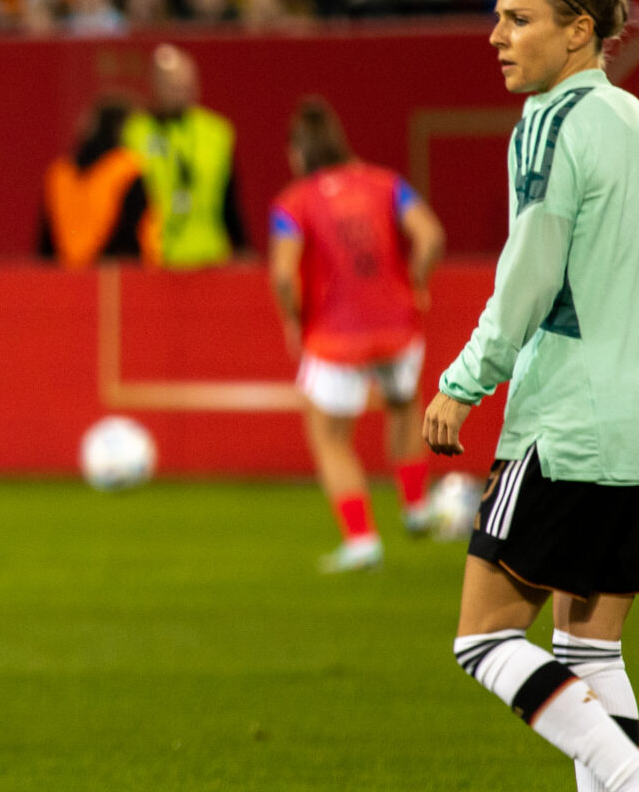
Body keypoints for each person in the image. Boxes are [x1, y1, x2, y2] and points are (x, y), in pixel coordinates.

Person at [424, 0, 639, 792]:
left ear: (577, 29)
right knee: (590, 650)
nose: (496, 38)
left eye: (517, 20)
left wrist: (465, 379)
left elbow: (529, 273)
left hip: (568, 429)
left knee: (483, 640)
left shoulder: (550, 123)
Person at [269, 99, 447, 572]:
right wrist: (418, 281)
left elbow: (284, 276)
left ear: (298, 151)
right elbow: (430, 235)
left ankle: (362, 540)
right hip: (397, 326)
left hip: (335, 335)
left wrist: (292, 319)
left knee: (329, 436)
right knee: (403, 405)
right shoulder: (387, 184)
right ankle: (416, 508)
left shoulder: (294, 202)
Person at [124, 45, 244, 267]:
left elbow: (230, 202)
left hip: (210, 256)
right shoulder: (133, 133)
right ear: (155, 86)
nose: (182, 93)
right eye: (173, 86)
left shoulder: (216, 132)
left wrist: (241, 247)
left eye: (187, 85)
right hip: (154, 260)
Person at [38, 95, 149, 267]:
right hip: (111, 274)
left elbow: (45, 243)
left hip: (65, 273)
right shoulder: (128, 168)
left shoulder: (60, 172)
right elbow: (134, 237)